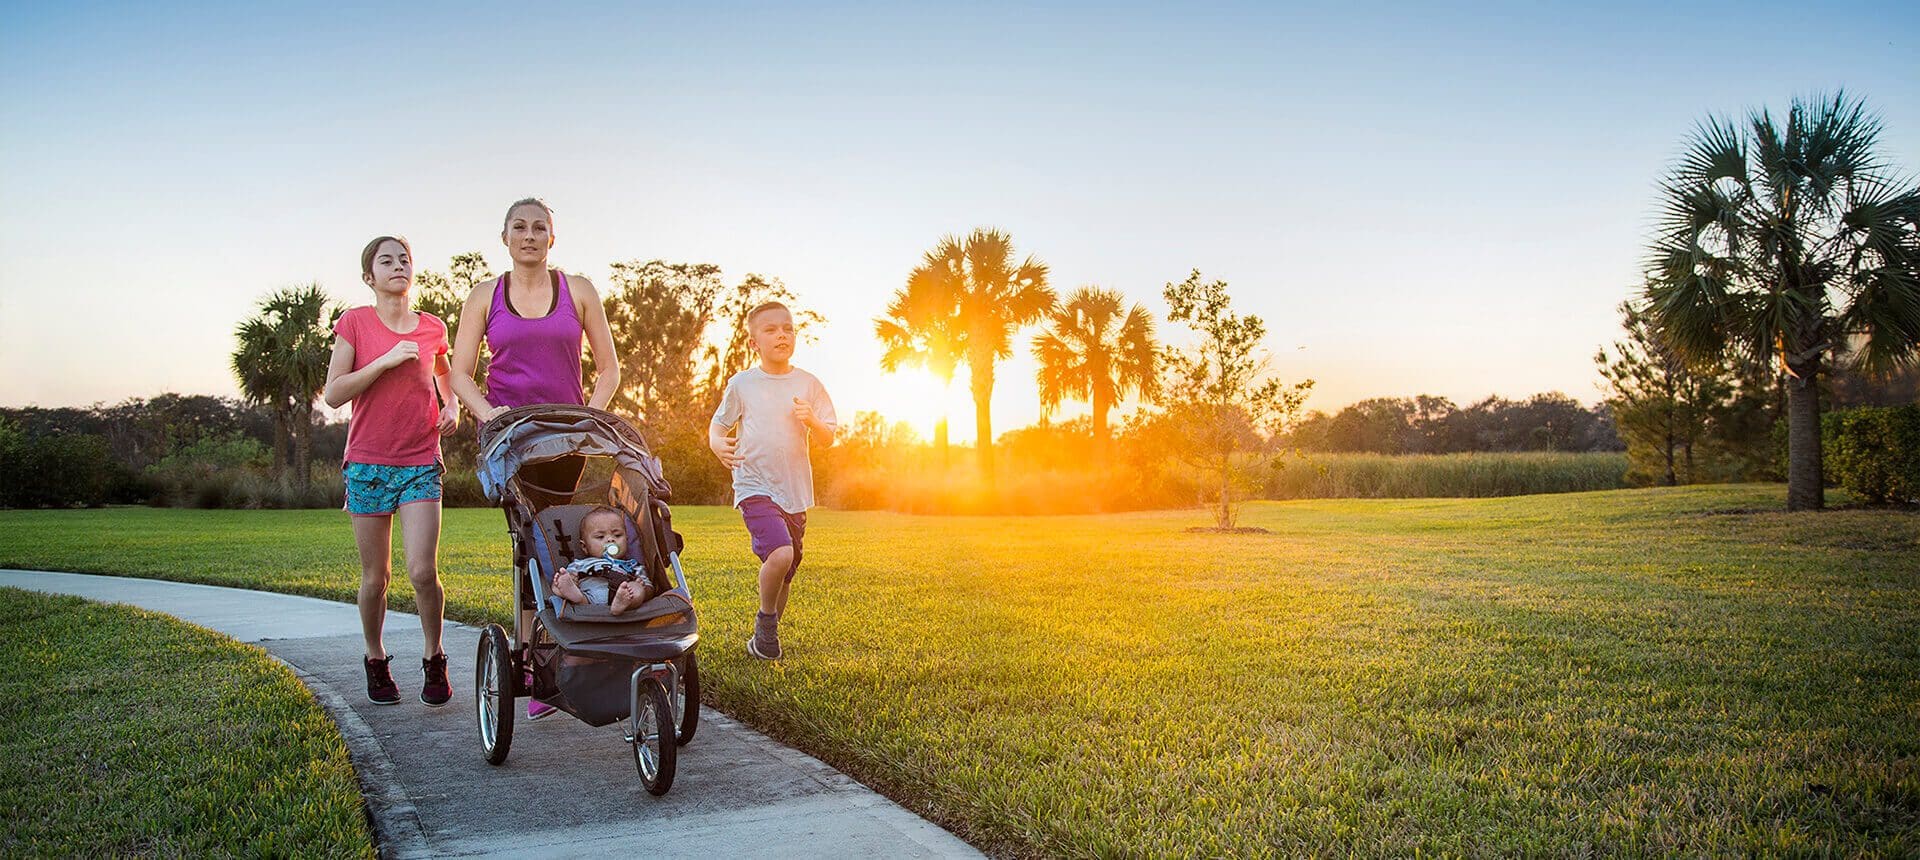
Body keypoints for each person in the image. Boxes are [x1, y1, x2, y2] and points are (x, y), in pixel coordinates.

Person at [448, 197, 620, 718]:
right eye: (519, 227)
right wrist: (490, 415)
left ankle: (574, 648)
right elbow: (459, 374)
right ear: (505, 237)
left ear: (553, 238)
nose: (530, 235)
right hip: (511, 441)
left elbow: (609, 369)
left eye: (539, 227)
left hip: (568, 438)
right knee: (530, 543)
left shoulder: (580, 291)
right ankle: (534, 661)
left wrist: (589, 419)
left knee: (566, 539)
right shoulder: (485, 296)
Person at [323, 235, 460, 707]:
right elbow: (334, 393)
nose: (398, 265)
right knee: (375, 578)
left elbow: (444, 373)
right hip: (367, 463)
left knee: (423, 571)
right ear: (370, 277)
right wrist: (384, 361)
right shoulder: (355, 323)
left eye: (404, 259)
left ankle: (433, 657)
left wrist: (453, 405)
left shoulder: (432, 327)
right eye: (387, 261)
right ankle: (376, 658)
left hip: (421, 460)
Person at [709, 301, 837, 660]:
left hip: (795, 491)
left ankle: (765, 637)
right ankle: (765, 626)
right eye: (771, 330)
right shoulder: (743, 384)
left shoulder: (809, 384)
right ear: (754, 343)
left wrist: (812, 420)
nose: (782, 334)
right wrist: (718, 443)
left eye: (788, 328)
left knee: (787, 568)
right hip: (754, 484)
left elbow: (829, 437)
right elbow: (719, 424)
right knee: (780, 553)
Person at [553, 505, 654, 614]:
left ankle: (621, 605)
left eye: (617, 535)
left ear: (626, 540)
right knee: (563, 582)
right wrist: (571, 580)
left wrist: (643, 587)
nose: (610, 539)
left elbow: (650, 590)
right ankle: (576, 597)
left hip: (623, 593)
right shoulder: (581, 564)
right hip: (588, 596)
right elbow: (568, 577)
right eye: (600, 537)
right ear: (584, 547)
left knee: (637, 589)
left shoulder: (633, 565)